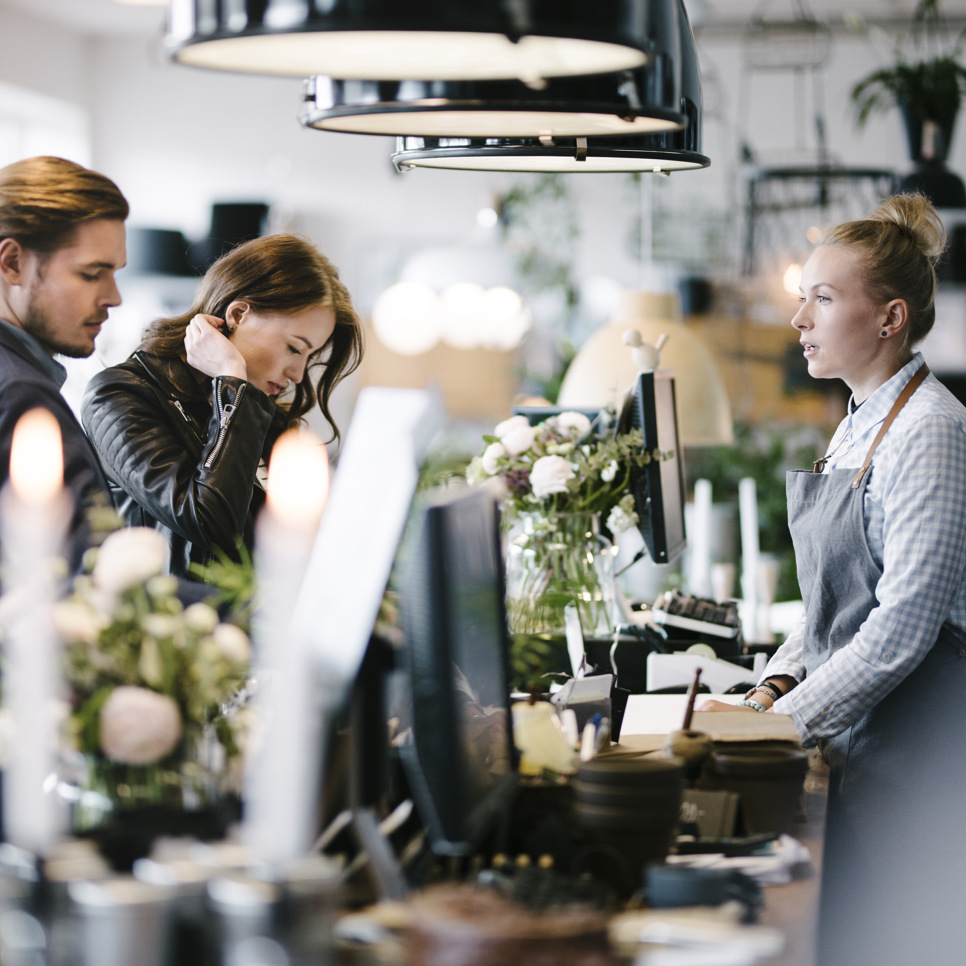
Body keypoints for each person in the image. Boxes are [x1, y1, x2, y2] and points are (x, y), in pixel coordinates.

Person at [701, 193, 966, 965]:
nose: (799, 321)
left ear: (889, 318)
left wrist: (778, 732)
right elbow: (830, 607)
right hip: (863, 741)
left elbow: (900, 629)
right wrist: (769, 691)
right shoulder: (859, 421)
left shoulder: (930, 433)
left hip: (922, 754)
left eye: (822, 298)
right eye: (801, 298)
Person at [81, 233, 364, 579]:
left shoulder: (257, 406)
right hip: (177, 624)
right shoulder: (119, 395)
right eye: (294, 348)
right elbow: (209, 523)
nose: (298, 374)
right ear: (239, 315)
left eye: (309, 356)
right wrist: (232, 380)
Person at [0, 155, 128, 571]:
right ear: (12, 263)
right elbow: (86, 580)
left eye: (115, 273)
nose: (114, 297)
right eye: (93, 274)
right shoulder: (20, 394)